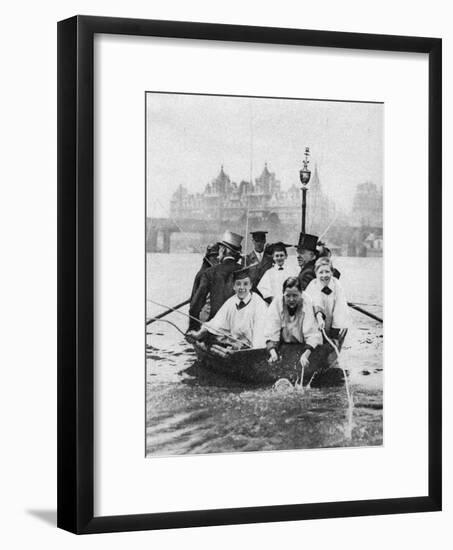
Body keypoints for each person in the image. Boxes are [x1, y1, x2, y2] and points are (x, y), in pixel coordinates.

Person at [187, 267, 268, 349]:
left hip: (255, 347)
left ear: (250, 286)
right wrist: (198, 334)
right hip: (237, 345)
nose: (242, 288)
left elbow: (260, 333)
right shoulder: (231, 302)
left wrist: (253, 349)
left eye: (245, 284)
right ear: (234, 287)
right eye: (238, 284)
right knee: (212, 341)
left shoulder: (258, 303)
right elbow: (215, 324)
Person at [188, 231, 243, 331]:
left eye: (220, 250)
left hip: (214, 326)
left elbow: (195, 305)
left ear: (224, 250)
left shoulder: (209, 272)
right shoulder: (245, 271)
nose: (218, 255)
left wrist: (194, 328)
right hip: (238, 326)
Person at [264, 276, 322, 369]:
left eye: (295, 295)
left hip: (303, 345)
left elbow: (312, 334)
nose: (291, 299)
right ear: (283, 294)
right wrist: (273, 352)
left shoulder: (306, 302)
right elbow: (271, 330)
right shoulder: (277, 303)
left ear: (301, 293)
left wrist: (305, 355)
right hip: (284, 344)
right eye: (288, 296)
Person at [304, 257, 349, 342]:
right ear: (316, 273)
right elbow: (313, 304)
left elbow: (340, 309)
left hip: (332, 324)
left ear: (332, 272)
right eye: (321, 272)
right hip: (316, 323)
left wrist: (335, 331)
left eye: (327, 272)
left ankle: (331, 338)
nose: (324, 275)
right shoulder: (313, 285)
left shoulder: (336, 285)